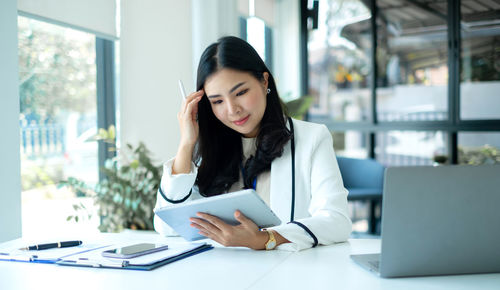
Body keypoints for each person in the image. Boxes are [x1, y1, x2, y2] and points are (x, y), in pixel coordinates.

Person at [154, 36, 351, 251]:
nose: (232, 110)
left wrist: (266, 239)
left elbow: (336, 221)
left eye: (241, 92)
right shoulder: (208, 151)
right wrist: (186, 144)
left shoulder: (312, 139)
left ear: (264, 81)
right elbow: (167, 226)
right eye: (217, 101)